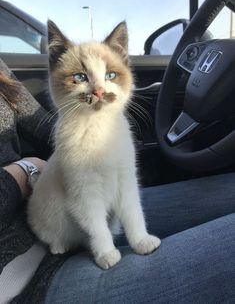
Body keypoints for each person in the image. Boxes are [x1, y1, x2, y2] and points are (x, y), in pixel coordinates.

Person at [0, 58, 234, 304]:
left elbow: (40, 123)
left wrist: (91, 127)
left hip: (64, 206)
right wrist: (26, 169)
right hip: (22, 274)